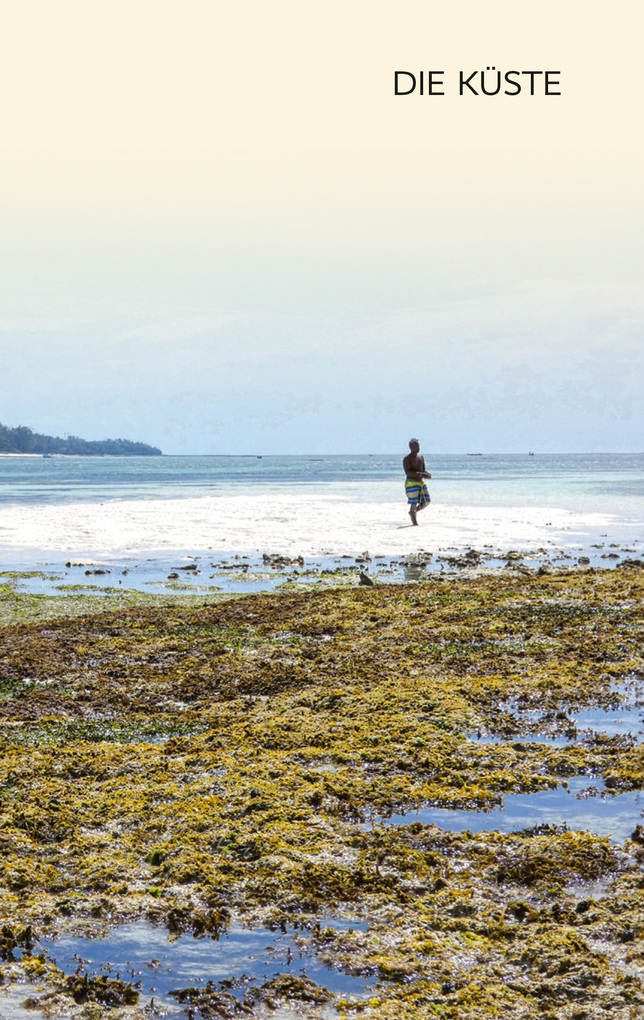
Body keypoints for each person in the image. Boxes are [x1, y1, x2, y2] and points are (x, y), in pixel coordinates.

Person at [403, 438, 432, 525]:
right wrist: (421, 474)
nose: (418, 447)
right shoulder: (407, 459)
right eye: (416, 446)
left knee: (427, 501)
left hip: (420, 482)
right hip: (411, 482)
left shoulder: (421, 457)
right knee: (414, 502)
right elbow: (408, 473)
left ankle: (413, 512)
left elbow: (423, 470)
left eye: (418, 445)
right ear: (411, 447)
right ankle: (414, 522)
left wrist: (427, 474)